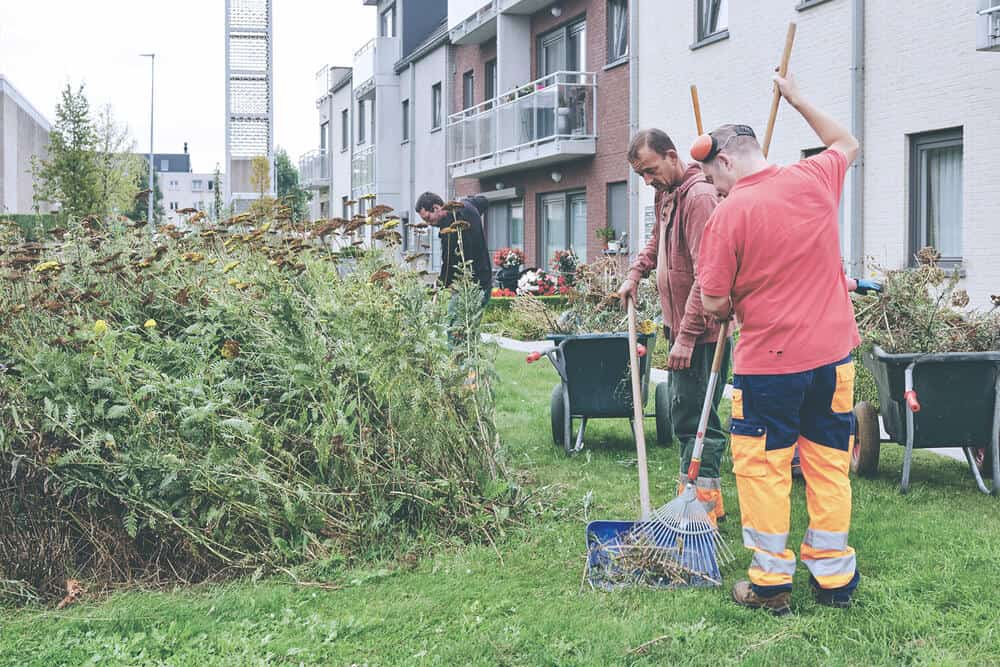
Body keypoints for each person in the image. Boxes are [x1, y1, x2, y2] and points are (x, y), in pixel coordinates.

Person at [695, 73, 861, 615]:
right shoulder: (815, 177)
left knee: (765, 470)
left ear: (725, 162)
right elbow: (847, 142)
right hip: (834, 359)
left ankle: (770, 583)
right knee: (829, 463)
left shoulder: (729, 215)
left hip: (770, 367)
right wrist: (796, 98)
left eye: (711, 177)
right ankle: (833, 579)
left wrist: (735, 298)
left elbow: (715, 303)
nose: (712, 190)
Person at [617, 128, 730, 524]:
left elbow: (708, 275)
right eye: (641, 176)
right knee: (686, 413)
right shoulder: (667, 194)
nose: (648, 181)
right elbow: (655, 242)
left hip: (701, 333)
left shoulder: (699, 198)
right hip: (679, 326)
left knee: (699, 419)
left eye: (650, 171)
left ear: (671, 155)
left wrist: (685, 337)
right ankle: (692, 498)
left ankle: (703, 507)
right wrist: (635, 273)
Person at [415, 192, 493, 341]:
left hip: (469, 286)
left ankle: (459, 363)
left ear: (436, 207)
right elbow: (483, 201)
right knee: (470, 331)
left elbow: (449, 261)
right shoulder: (467, 206)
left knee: (456, 332)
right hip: (484, 280)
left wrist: (441, 285)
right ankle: (472, 362)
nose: (429, 224)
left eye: (428, 218)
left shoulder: (449, 229)